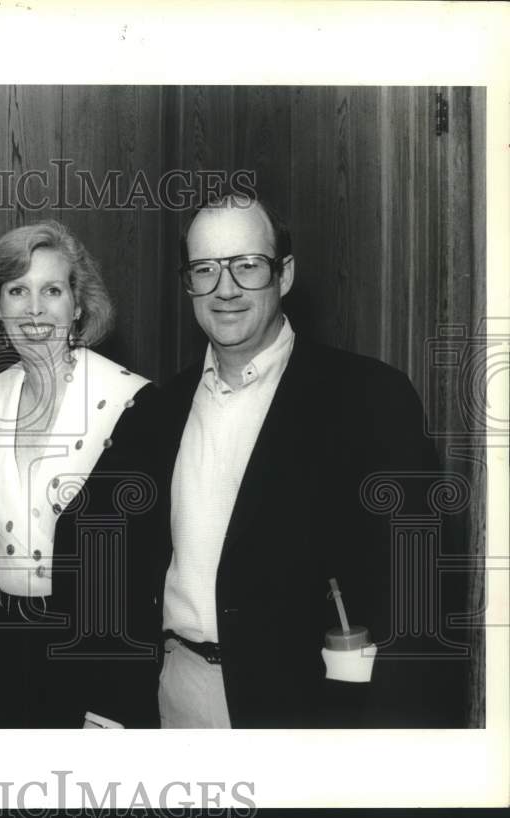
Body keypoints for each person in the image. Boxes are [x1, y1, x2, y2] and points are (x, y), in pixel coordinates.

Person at [155, 194, 468, 728]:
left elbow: (420, 596)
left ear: (286, 275)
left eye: (247, 266)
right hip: (177, 694)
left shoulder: (370, 396)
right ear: (188, 283)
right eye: (205, 269)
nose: (224, 288)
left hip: (308, 709)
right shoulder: (160, 407)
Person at [0, 220, 160, 728]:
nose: (33, 308)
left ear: (78, 304)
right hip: (1, 653)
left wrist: (115, 700)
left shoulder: (130, 402)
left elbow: (142, 569)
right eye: (16, 290)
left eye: (51, 289)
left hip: (96, 652)